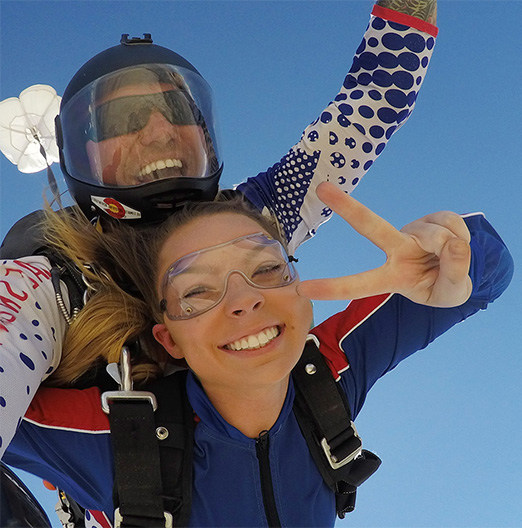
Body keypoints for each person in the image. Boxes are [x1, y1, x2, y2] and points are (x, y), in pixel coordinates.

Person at [0, 0, 438, 463]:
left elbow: (372, 106)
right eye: (124, 120)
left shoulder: (252, 222)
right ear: (78, 155)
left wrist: (406, 10)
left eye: (178, 111)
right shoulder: (53, 283)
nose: (159, 130)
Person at [2, 182, 513, 526]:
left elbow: (489, 268)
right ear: (169, 339)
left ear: (300, 295)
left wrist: (449, 261)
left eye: (267, 270)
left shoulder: (326, 378)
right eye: (198, 292)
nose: (245, 300)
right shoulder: (111, 437)